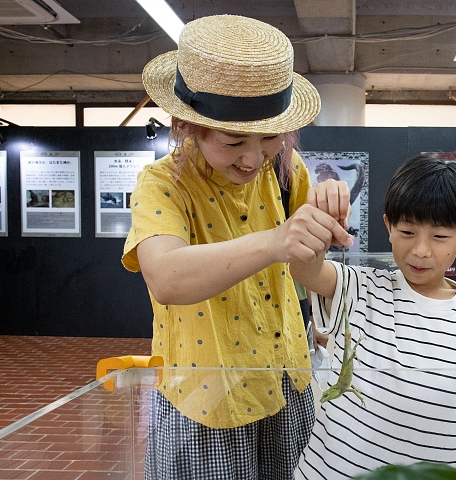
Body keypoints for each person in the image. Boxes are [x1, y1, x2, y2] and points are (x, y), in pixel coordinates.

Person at [121, 15, 352, 480]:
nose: (252, 157)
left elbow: (306, 267)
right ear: (188, 125)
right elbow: (165, 277)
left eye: (270, 137)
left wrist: (321, 222)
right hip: (206, 403)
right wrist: (274, 241)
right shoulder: (162, 184)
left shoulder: (286, 169)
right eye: (232, 141)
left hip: (286, 387)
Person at [291, 154, 456, 479]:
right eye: (407, 232)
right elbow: (304, 269)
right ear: (388, 227)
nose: (421, 250)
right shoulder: (359, 285)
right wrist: (322, 221)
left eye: (439, 237)